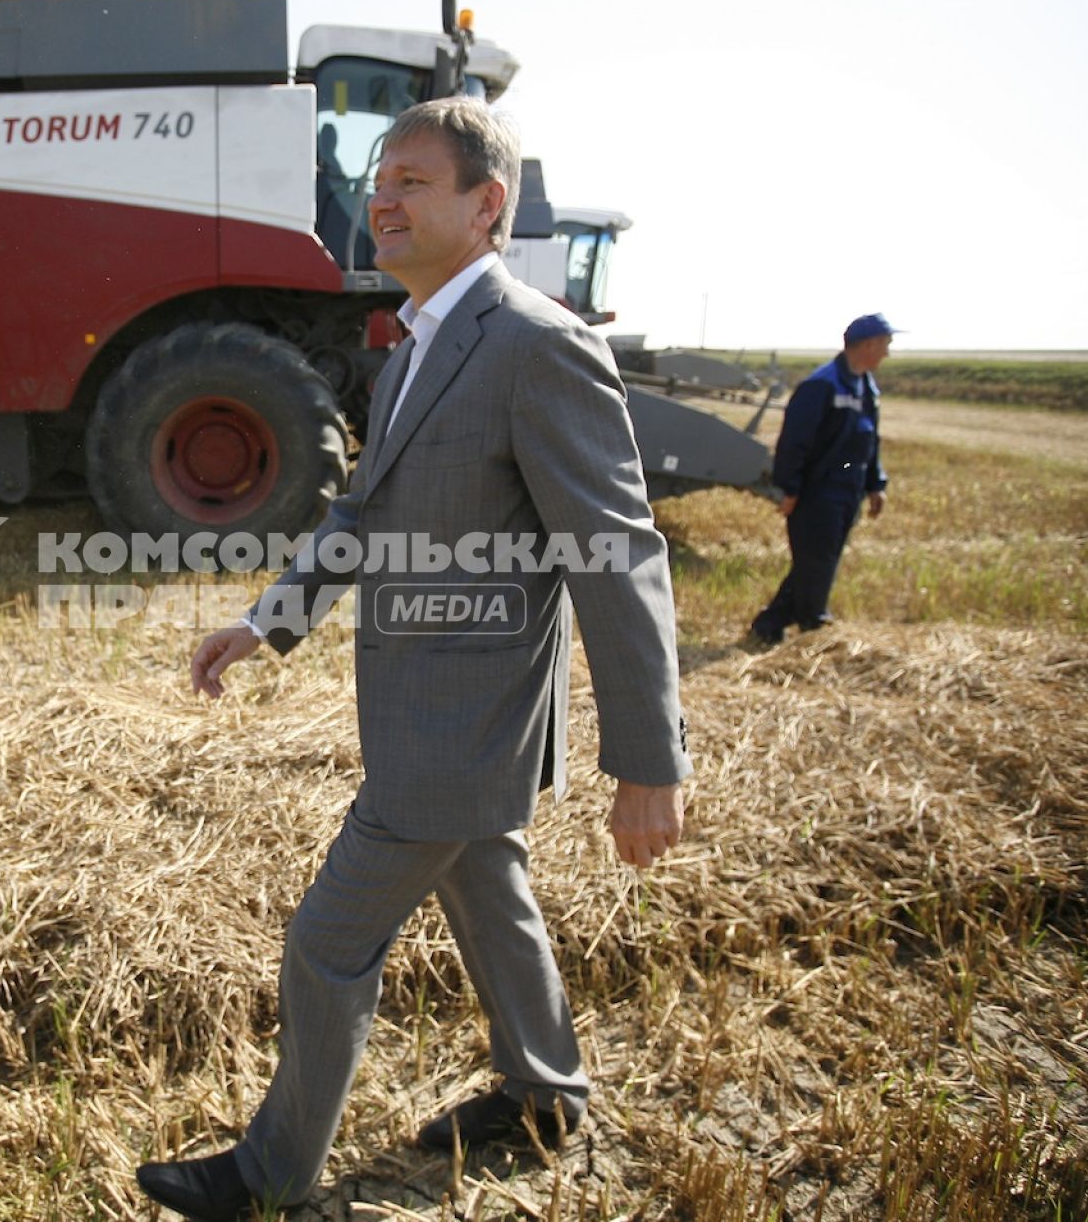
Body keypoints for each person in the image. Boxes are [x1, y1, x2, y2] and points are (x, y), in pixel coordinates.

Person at [136, 96, 691, 1221]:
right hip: (433, 717)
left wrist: (651, 760)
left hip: (460, 725)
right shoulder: (416, 345)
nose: (382, 197)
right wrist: (269, 617)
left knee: (328, 938)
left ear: (488, 207)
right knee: (492, 897)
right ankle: (545, 1089)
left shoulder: (537, 343)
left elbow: (617, 554)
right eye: (379, 177)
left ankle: (271, 1173)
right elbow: (364, 512)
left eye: (416, 181)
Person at [749, 314, 894, 646]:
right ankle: (813, 622)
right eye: (885, 345)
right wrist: (789, 488)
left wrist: (876, 484)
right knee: (818, 560)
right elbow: (794, 442)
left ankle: (771, 623)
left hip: (849, 490)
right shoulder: (823, 384)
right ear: (869, 344)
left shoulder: (866, 387)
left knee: (818, 560)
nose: (887, 353)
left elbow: (869, 441)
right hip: (819, 491)